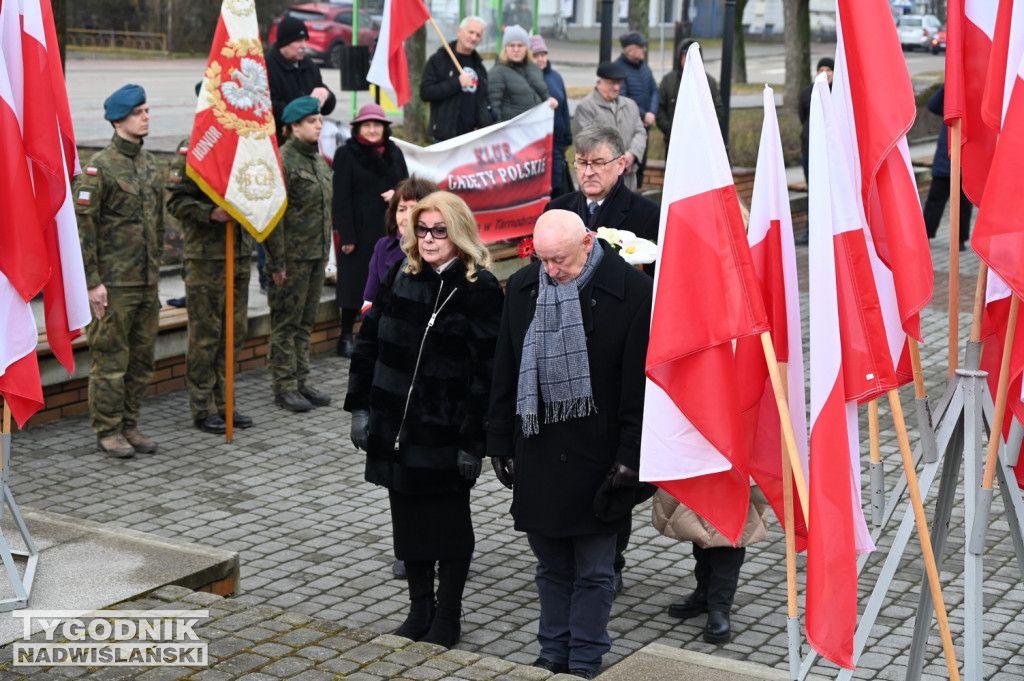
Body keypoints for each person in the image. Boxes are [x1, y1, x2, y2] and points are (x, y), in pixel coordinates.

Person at [487, 210, 652, 679]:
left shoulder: (634, 293)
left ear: (587, 241)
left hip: (600, 460)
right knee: (551, 566)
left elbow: (638, 388)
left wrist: (630, 458)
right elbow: (504, 366)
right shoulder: (522, 288)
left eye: (559, 260)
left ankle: (583, 659)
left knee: (596, 570)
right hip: (538, 449)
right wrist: (500, 440)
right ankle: (552, 653)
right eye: (543, 261)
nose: (551, 271)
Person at [346, 191, 504, 649]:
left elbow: (488, 373)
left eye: (439, 231)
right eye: (422, 230)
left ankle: (448, 616)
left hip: (446, 433)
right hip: (396, 429)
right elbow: (369, 343)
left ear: (458, 234)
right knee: (408, 524)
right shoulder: (401, 273)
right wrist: (360, 408)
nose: (430, 239)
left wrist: (473, 442)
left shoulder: (481, 288)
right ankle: (420, 611)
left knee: (450, 529)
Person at [74, 84, 164, 459]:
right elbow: (84, 231)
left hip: (145, 282)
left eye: (146, 111)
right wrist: (93, 283)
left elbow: (157, 224)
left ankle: (130, 423)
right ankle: (107, 429)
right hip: (114, 285)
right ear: (118, 119)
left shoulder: (149, 164)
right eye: (138, 112)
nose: (146, 117)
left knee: (141, 360)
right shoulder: (100, 169)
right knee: (111, 360)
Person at [166, 85, 254, 435]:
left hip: (240, 254)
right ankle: (203, 407)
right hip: (206, 258)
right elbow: (175, 201)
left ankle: (225, 402)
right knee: (206, 336)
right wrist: (210, 213)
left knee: (235, 334)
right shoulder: (194, 148)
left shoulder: (246, 145)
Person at [265, 96, 334, 412]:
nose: (318, 125)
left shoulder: (318, 160)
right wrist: (276, 262)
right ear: (293, 126)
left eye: (319, 119)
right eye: (311, 121)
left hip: (316, 256)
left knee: (306, 323)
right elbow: (274, 218)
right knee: (285, 324)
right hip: (290, 260)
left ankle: (302, 380)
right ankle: (284, 386)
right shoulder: (283, 161)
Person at [333, 103, 409, 358]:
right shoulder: (346, 154)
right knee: (354, 286)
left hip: (391, 231)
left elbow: (407, 188)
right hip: (359, 232)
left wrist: (397, 195)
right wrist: (347, 236)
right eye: (367, 125)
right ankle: (345, 336)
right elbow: (340, 198)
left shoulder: (394, 151)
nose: (373, 129)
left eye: (377, 125)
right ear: (358, 128)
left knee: (388, 282)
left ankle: (382, 333)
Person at [653, 485, 770, 643]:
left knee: (728, 540)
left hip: (735, 470)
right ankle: (704, 594)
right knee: (700, 531)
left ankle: (720, 607)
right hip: (701, 469)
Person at [363, 177, 440, 309]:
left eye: (414, 209)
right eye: (402, 209)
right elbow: (369, 302)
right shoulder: (382, 247)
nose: (406, 217)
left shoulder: (441, 248)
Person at [572, 62, 646, 191]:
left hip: (627, 178)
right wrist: (615, 163)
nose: (617, 87)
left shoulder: (630, 105)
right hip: (598, 180)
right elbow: (588, 144)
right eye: (612, 83)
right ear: (599, 83)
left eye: (619, 83)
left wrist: (632, 154)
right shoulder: (586, 107)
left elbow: (640, 132)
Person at [420, 16, 493, 142]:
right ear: (459, 32)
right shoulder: (439, 60)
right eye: (471, 32)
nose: (474, 38)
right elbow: (426, 92)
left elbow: (483, 99)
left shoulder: (479, 66)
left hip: (472, 138)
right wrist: (457, 83)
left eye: (478, 35)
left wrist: (482, 122)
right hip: (445, 137)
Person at [266, 16, 337, 145]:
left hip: (309, 147)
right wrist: (304, 113)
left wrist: (327, 96)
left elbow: (326, 107)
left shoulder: (310, 66)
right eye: (298, 41)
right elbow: (269, 108)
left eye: (306, 40)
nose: (304, 46)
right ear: (284, 43)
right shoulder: (266, 68)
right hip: (281, 145)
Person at [923, 85, 973, 250]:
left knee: (963, 205)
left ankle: (959, 240)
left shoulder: (976, 100)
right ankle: (926, 235)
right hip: (946, 161)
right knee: (936, 201)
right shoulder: (952, 101)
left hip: (965, 163)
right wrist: (949, 85)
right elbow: (933, 105)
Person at [656, 39, 724, 151]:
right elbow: (660, 109)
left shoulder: (708, 82)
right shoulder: (668, 81)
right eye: (685, 57)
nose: (688, 61)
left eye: (692, 57)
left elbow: (718, 110)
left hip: (701, 144)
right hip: (674, 143)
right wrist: (670, 129)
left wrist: (703, 131)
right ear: (679, 58)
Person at [530, 35, 573, 198]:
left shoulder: (556, 77)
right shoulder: (528, 79)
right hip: (538, 145)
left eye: (543, 54)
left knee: (558, 186)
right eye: (536, 55)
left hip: (557, 144)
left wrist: (568, 138)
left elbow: (564, 108)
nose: (540, 59)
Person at [615, 31, 658, 188]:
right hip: (629, 128)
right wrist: (643, 114)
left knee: (641, 167)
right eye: (641, 47)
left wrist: (651, 113)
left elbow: (654, 90)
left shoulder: (643, 67)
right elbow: (623, 98)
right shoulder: (619, 69)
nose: (644, 50)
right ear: (630, 50)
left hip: (644, 126)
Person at [487, 25, 552, 122]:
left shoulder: (534, 68)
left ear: (527, 48)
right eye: (512, 45)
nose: (516, 49)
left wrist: (549, 101)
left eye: (520, 45)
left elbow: (543, 95)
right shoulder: (497, 72)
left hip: (534, 128)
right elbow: (494, 108)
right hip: (512, 132)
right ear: (505, 49)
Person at [799, 57, 834, 183]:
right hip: (809, 149)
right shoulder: (807, 93)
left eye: (829, 70)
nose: (825, 73)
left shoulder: (838, 93)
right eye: (821, 70)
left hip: (832, 152)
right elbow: (803, 117)